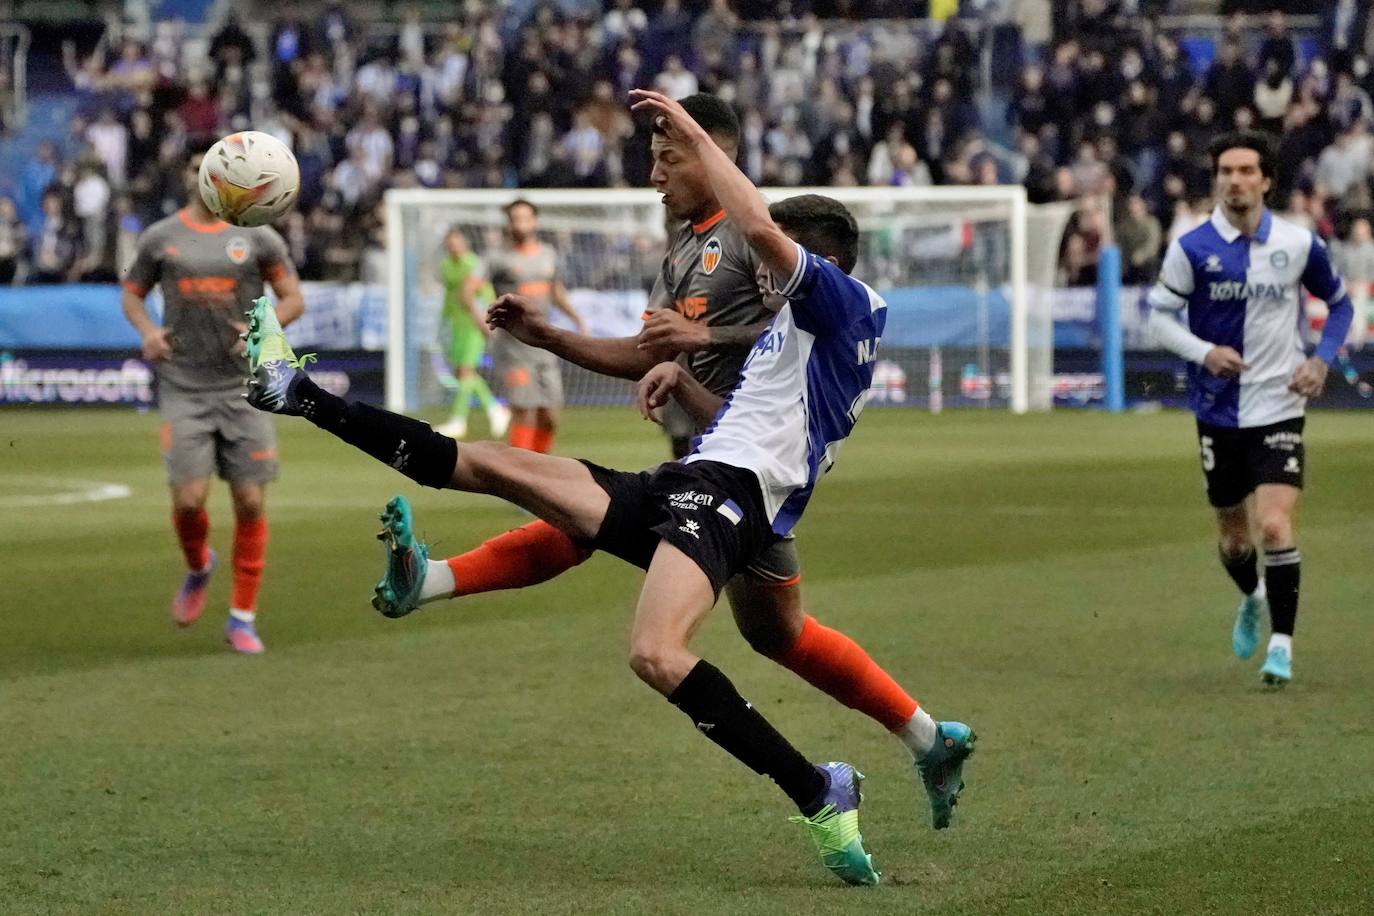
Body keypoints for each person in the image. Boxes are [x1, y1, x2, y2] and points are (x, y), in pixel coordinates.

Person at [243, 89, 974, 886]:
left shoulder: (842, 299)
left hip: (736, 500)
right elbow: (749, 413)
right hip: (697, 479)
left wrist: (691, 133)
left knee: (658, 652)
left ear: (818, 264)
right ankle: (296, 394)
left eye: (775, 262)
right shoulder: (791, 330)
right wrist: (677, 378)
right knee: (496, 465)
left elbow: (761, 233)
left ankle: (819, 790)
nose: (763, 269)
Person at [1147, 131, 1354, 687]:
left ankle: (1281, 648)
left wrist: (1322, 360)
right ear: (1217, 179)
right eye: (1226, 171)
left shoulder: (1298, 243)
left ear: (1266, 180)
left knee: (1275, 524)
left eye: (1246, 170)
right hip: (1217, 410)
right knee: (1235, 540)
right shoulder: (1192, 248)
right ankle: (1253, 596)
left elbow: (1339, 304)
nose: (1235, 179)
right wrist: (1204, 352)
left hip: (1281, 402)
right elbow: (1159, 317)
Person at [121, 149, 305, 654]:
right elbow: (132, 293)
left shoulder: (258, 235)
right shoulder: (161, 237)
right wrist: (147, 332)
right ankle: (200, 564)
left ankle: (242, 618)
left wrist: (261, 326)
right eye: (196, 166)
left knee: (249, 500)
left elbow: (293, 300)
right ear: (189, 175)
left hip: (244, 388)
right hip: (183, 384)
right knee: (188, 499)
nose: (204, 174)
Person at [483, 199, 585, 453]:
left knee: (550, 416)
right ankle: (518, 473)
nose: (520, 223)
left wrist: (576, 319)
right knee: (524, 412)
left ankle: (537, 468)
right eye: (514, 218)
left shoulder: (547, 254)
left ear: (534, 221)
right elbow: (469, 291)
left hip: (543, 346)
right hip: (513, 348)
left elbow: (555, 291)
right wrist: (483, 325)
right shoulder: (496, 258)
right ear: (508, 222)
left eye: (525, 217)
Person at [434, 226, 510, 439]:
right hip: (454, 324)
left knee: (466, 371)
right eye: (450, 243)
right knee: (463, 373)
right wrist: (444, 321)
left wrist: (486, 320)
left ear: (465, 243)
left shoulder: (474, 264)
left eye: (457, 242)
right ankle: (496, 409)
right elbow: (449, 296)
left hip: (473, 324)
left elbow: (485, 292)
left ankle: (458, 421)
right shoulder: (446, 265)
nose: (454, 246)